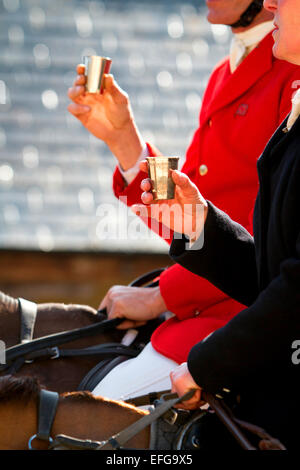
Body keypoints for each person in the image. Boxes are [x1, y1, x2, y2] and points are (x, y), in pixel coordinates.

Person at [67, 0, 300, 400]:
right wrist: (127, 144)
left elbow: (276, 253)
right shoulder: (224, 74)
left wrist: (162, 296)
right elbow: (187, 206)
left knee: (96, 412)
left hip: (240, 320)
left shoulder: (289, 75)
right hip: (211, 301)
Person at [136, 0, 300, 449]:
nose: (272, 3)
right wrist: (201, 226)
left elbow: (296, 289)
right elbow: (273, 271)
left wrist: (207, 362)